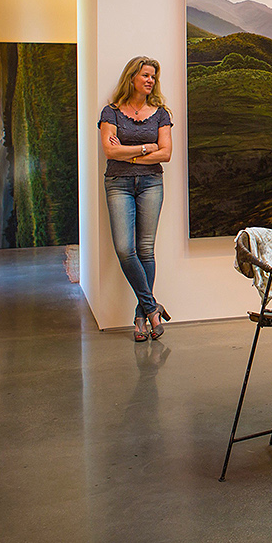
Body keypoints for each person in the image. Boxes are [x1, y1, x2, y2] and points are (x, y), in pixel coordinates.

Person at [99, 56, 173, 342]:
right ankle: (153, 307)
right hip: (118, 183)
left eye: (153, 76)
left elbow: (165, 153)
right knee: (124, 248)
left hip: (152, 183)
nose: (150, 80)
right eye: (145, 75)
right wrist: (146, 147)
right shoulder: (111, 112)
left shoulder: (161, 114)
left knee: (145, 250)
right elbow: (109, 152)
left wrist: (129, 153)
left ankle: (141, 316)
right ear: (131, 78)